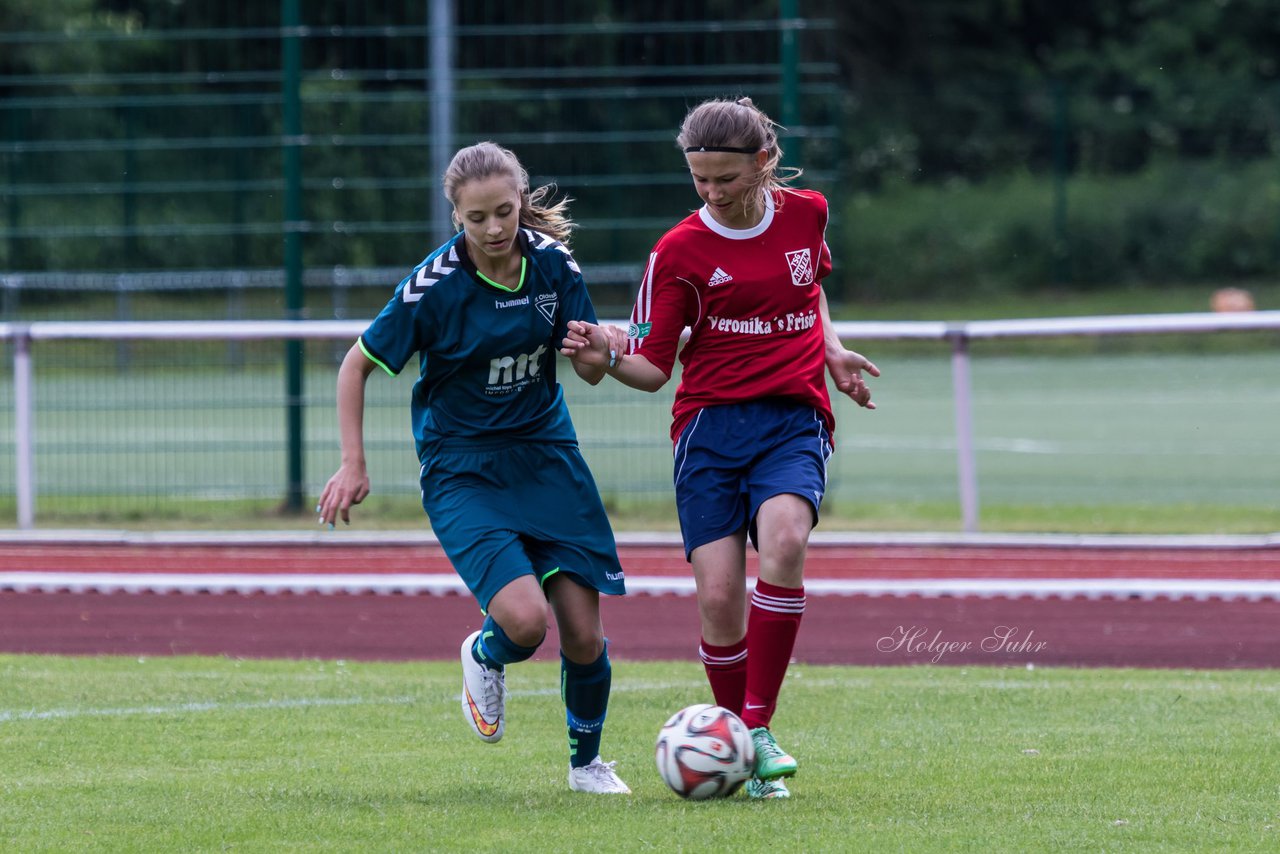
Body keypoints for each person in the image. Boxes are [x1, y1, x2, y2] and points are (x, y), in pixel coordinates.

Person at [562, 97, 879, 799]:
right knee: (717, 597)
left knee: (787, 542)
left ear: (763, 164)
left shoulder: (807, 213)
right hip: (708, 430)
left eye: (726, 179)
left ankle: (756, 730)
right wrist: (603, 358)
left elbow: (812, 285)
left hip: (793, 418)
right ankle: (736, 736)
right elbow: (649, 371)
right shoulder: (677, 252)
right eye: (700, 180)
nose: (711, 192)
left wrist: (828, 349)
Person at [316, 140, 631, 795]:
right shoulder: (431, 288)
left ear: (521, 202)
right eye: (475, 218)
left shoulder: (553, 267)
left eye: (504, 212)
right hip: (463, 471)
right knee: (525, 622)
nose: (493, 229)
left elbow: (593, 371)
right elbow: (356, 365)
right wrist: (353, 462)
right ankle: (485, 652)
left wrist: (597, 350)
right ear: (454, 216)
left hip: (548, 457)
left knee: (582, 630)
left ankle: (587, 766)